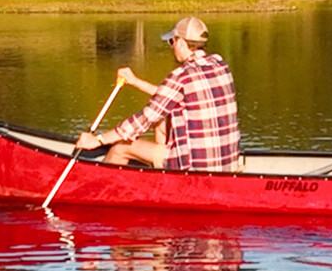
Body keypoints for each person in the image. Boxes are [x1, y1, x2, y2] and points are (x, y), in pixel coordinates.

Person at [76, 16, 242, 172]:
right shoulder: (220, 64)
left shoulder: (181, 76)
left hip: (194, 166)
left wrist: (98, 140)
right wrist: (135, 81)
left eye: (172, 41)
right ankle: (158, 178)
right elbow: (170, 96)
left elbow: (145, 118)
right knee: (161, 124)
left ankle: (102, 189)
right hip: (227, 162)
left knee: (120, 148)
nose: (171, 47)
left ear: (182, 43)